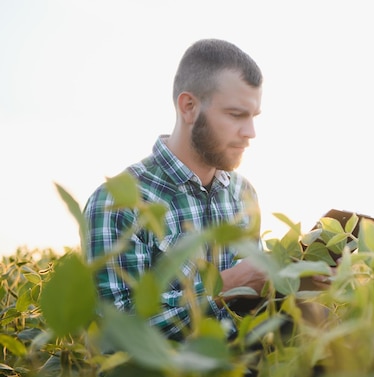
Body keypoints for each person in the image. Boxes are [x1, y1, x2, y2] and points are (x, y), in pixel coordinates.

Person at [83, 39, 328, 342]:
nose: (250, 132)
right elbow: (117, 331)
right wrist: (225, 286)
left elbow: (249, 308)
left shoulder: (243, 194)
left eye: (254, 117)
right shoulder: (116, 202)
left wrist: (295, 281)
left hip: (244, 374)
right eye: (236, 115)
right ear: (189, 107)